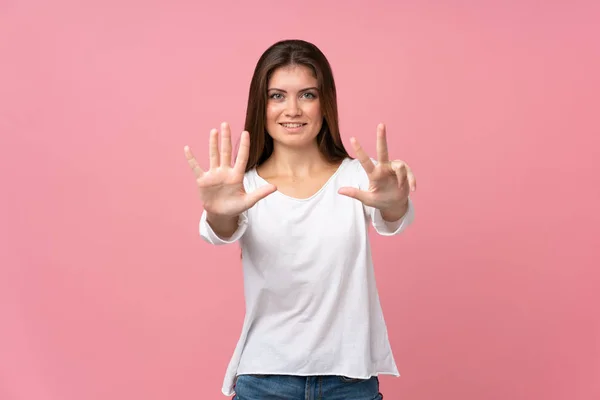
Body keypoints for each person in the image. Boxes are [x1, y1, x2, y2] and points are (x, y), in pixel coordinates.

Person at [184, 39, 417, 399]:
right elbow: (221, 230)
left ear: (326, 103)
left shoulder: (358, 177)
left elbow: (392, 218)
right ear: (261, 105)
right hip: (265, 380)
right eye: (278, 95)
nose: (292, 109)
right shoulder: (243, 187)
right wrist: (217, 211)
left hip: (350, 381)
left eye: (307, 94)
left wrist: (395, 199)